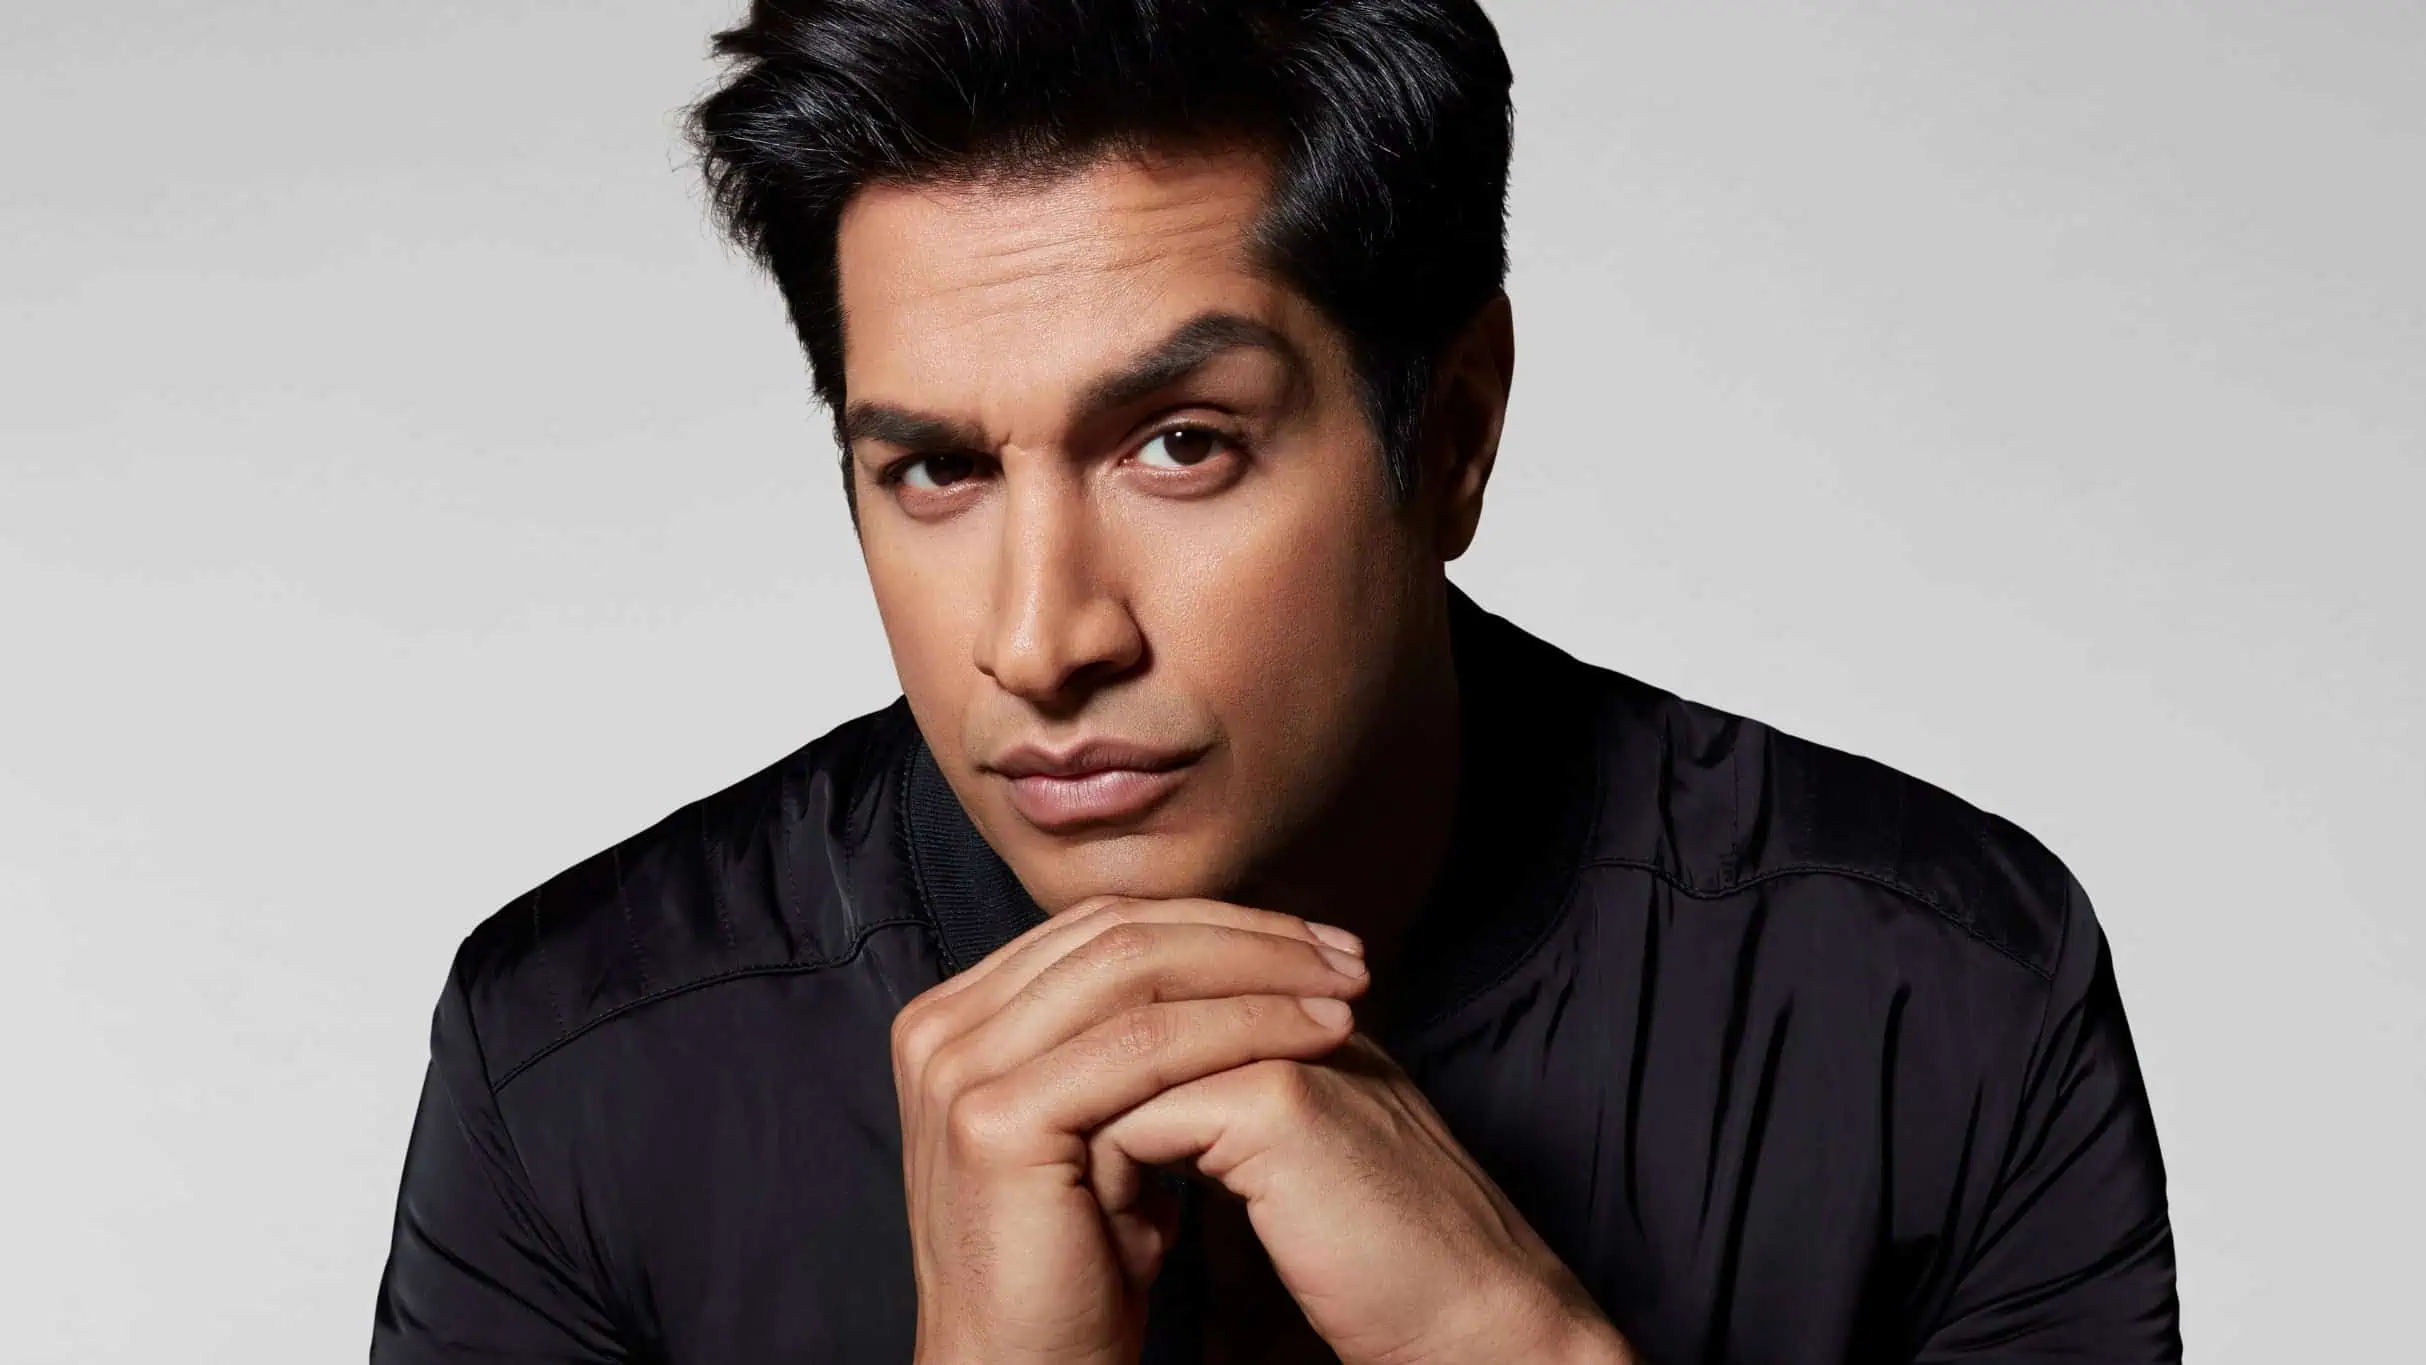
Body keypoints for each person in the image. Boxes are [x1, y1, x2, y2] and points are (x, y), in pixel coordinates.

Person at [369, 2, 2180, 1361]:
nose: (1041, 639)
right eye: (935, 468)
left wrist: (1515, 1346)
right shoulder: (581, 1068)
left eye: (1180, 443)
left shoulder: (1932, 999)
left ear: (1449, 433)